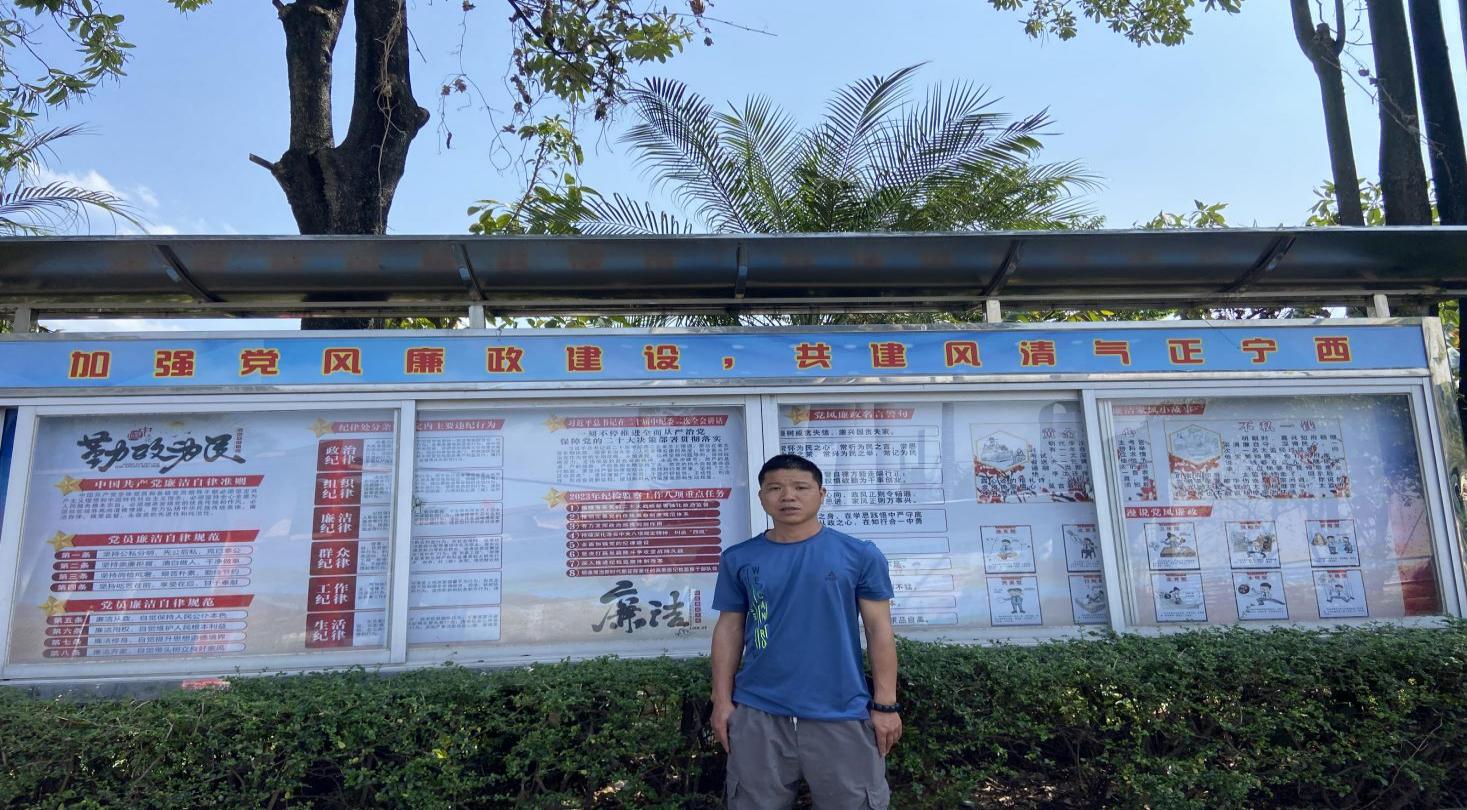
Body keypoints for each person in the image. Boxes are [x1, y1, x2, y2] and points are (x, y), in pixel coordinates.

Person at [711, 453, 900, 809]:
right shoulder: (739, 558)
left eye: (800, 487)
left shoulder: (859, 555)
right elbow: (729, 629)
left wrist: (886, 705)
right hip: (758, 711)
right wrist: (722, 701)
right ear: (761, 497)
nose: (788, 496)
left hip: (841, 711)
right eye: (775, 488)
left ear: (821, 494)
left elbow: (879, 630)